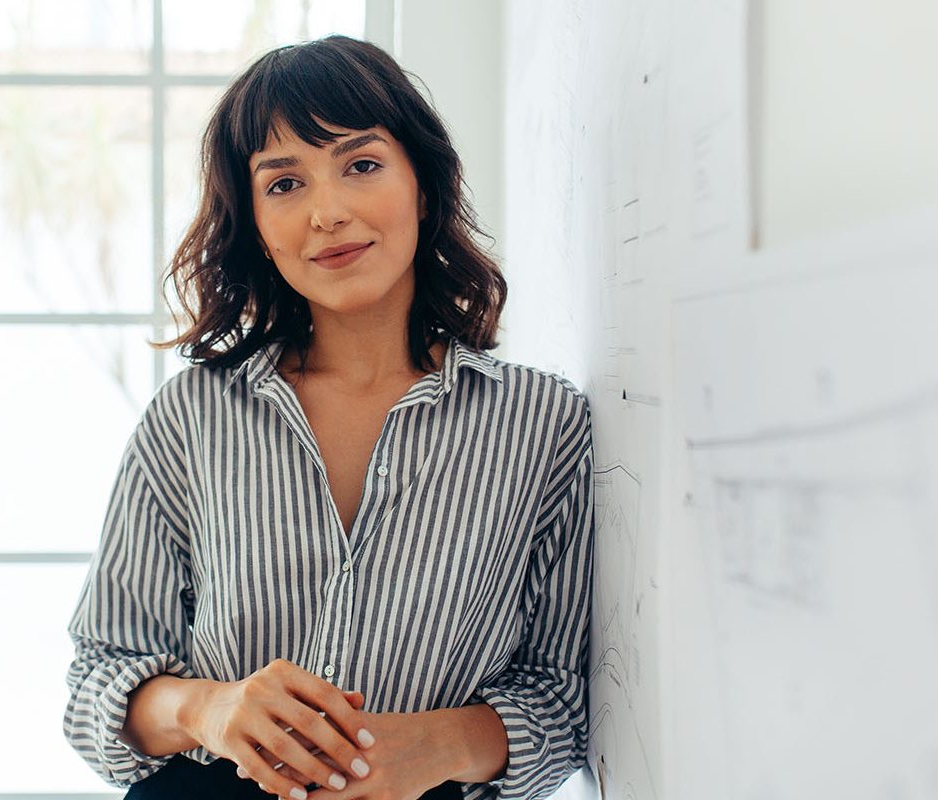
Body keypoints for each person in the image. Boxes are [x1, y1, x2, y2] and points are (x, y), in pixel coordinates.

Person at [63, 34, 594, 800]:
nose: (328, 213)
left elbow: (565, 700)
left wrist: (439, 743)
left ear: (423, 183)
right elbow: (95, 684)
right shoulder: (191, 417)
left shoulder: (544, 425)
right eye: (284, 185)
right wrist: (209, 709)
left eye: (362, 165)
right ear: (255, 223)